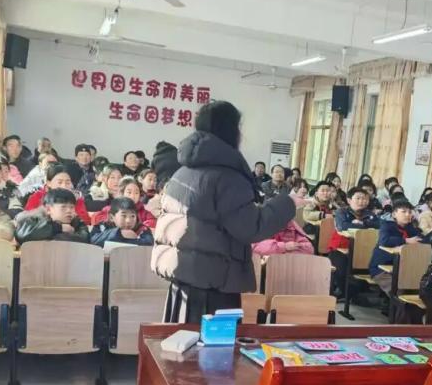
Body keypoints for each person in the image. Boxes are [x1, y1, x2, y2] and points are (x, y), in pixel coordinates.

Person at [151, 100, 295, 323]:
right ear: (231, 130)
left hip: (184, 276)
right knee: (212, 344)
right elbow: (250, 227)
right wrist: (288, 203)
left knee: (180, 340)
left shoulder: (184, 170)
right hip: (214, 282)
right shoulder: (227, 177)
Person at [328, 187, 380, 297]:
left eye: (364, 198)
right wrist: (364, 226)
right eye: (358, 198)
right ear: (349, 200)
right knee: (341, 270)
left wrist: (362, 224)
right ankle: (349, 294)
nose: (362, 201)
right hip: (341, 248)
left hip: (363, 249)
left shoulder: (370, 214)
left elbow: (379, 225)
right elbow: (343, 226)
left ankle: (357, 293)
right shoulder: (341, 212)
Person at [369, 199, 421, 295]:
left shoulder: (411, 228)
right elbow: (384, 241)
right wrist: (406, 241)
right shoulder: (386, 226)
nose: (407, 214)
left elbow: (420, 239)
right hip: (381, 269)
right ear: (394, 214)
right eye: (403, 212)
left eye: (410, 212)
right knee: (399, 290)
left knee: (417, 289)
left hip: (403, 269)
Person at [14, 188, 90, 244]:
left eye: (72, 207)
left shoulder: (78, 223)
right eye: (63, 207)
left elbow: (84, 241)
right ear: (48, 209)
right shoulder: (35, 220)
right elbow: (22, 235)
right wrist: (58, 228)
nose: (69, 211)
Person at [25, 163, 92, 225]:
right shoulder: (38, 196)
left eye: (68, 183)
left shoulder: (75, 198)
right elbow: (28, 220)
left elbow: (86, 221)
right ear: (49, 183)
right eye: (59, 182)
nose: (64, 186)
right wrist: (58, 227)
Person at [90, 177, 157, 230]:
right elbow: (97, 218)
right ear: (122, 193)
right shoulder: (111, 209)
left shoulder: (144, 212)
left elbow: (153, 222)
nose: (133, 196)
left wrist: (137, 228)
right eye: (129, 192)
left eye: (136, 193)